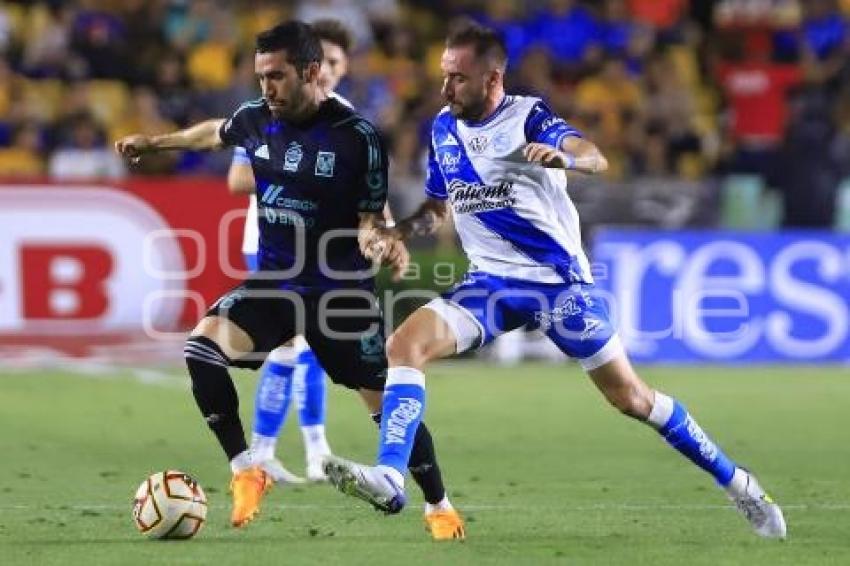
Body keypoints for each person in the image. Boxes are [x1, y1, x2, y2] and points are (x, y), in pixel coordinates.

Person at [323, 20, 787, 540]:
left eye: (457, 78)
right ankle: (389, 474)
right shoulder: (442, 127)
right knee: (403, 346)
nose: (445, 87)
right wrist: (397, 231)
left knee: (631, 398)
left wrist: (564, 157)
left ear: (492, 77)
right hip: (490, 284)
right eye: (443, 76)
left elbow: (594, 155)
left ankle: (738, 482)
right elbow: (438, 204)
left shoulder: (528, 116)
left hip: (557, 285)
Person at [115, 21, 464, 540]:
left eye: (276, 76)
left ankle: (439, 504)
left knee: (382, 403)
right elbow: (214, 132)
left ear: (311, 72)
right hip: (277, 282)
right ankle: (246, 469)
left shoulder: (357, 137)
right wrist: (157, 142)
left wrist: (377, 239)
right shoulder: (257, 118)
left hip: (338, 294)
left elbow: (370, 216)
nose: (266, 88)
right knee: (201, 349)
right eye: (260, 77)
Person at [227, 19, 363, 486]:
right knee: (291, 344)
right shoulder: (269, 112)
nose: (324, 70)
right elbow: (238, 178)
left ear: (342, 68)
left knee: (309, 348)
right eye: (317, 61)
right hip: (273, 243)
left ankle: (307, 449)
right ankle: (276, 450)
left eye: (334, 62)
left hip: (324, 250)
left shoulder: (345, 116)